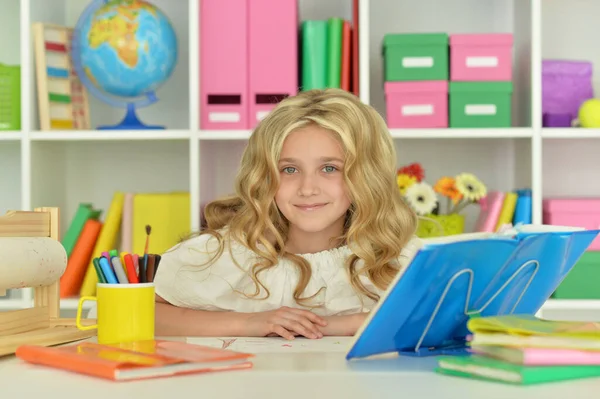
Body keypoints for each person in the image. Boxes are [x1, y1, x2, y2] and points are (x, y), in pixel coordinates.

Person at [153, 88, 423, 340]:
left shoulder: (398, 260)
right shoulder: (224, 254)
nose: (307, 189)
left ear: (366, 175)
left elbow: (438, 320)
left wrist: (329, 325)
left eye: (329, 168)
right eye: (289, 170)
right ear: (264, 176)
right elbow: (144, 311)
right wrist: (252, 323)